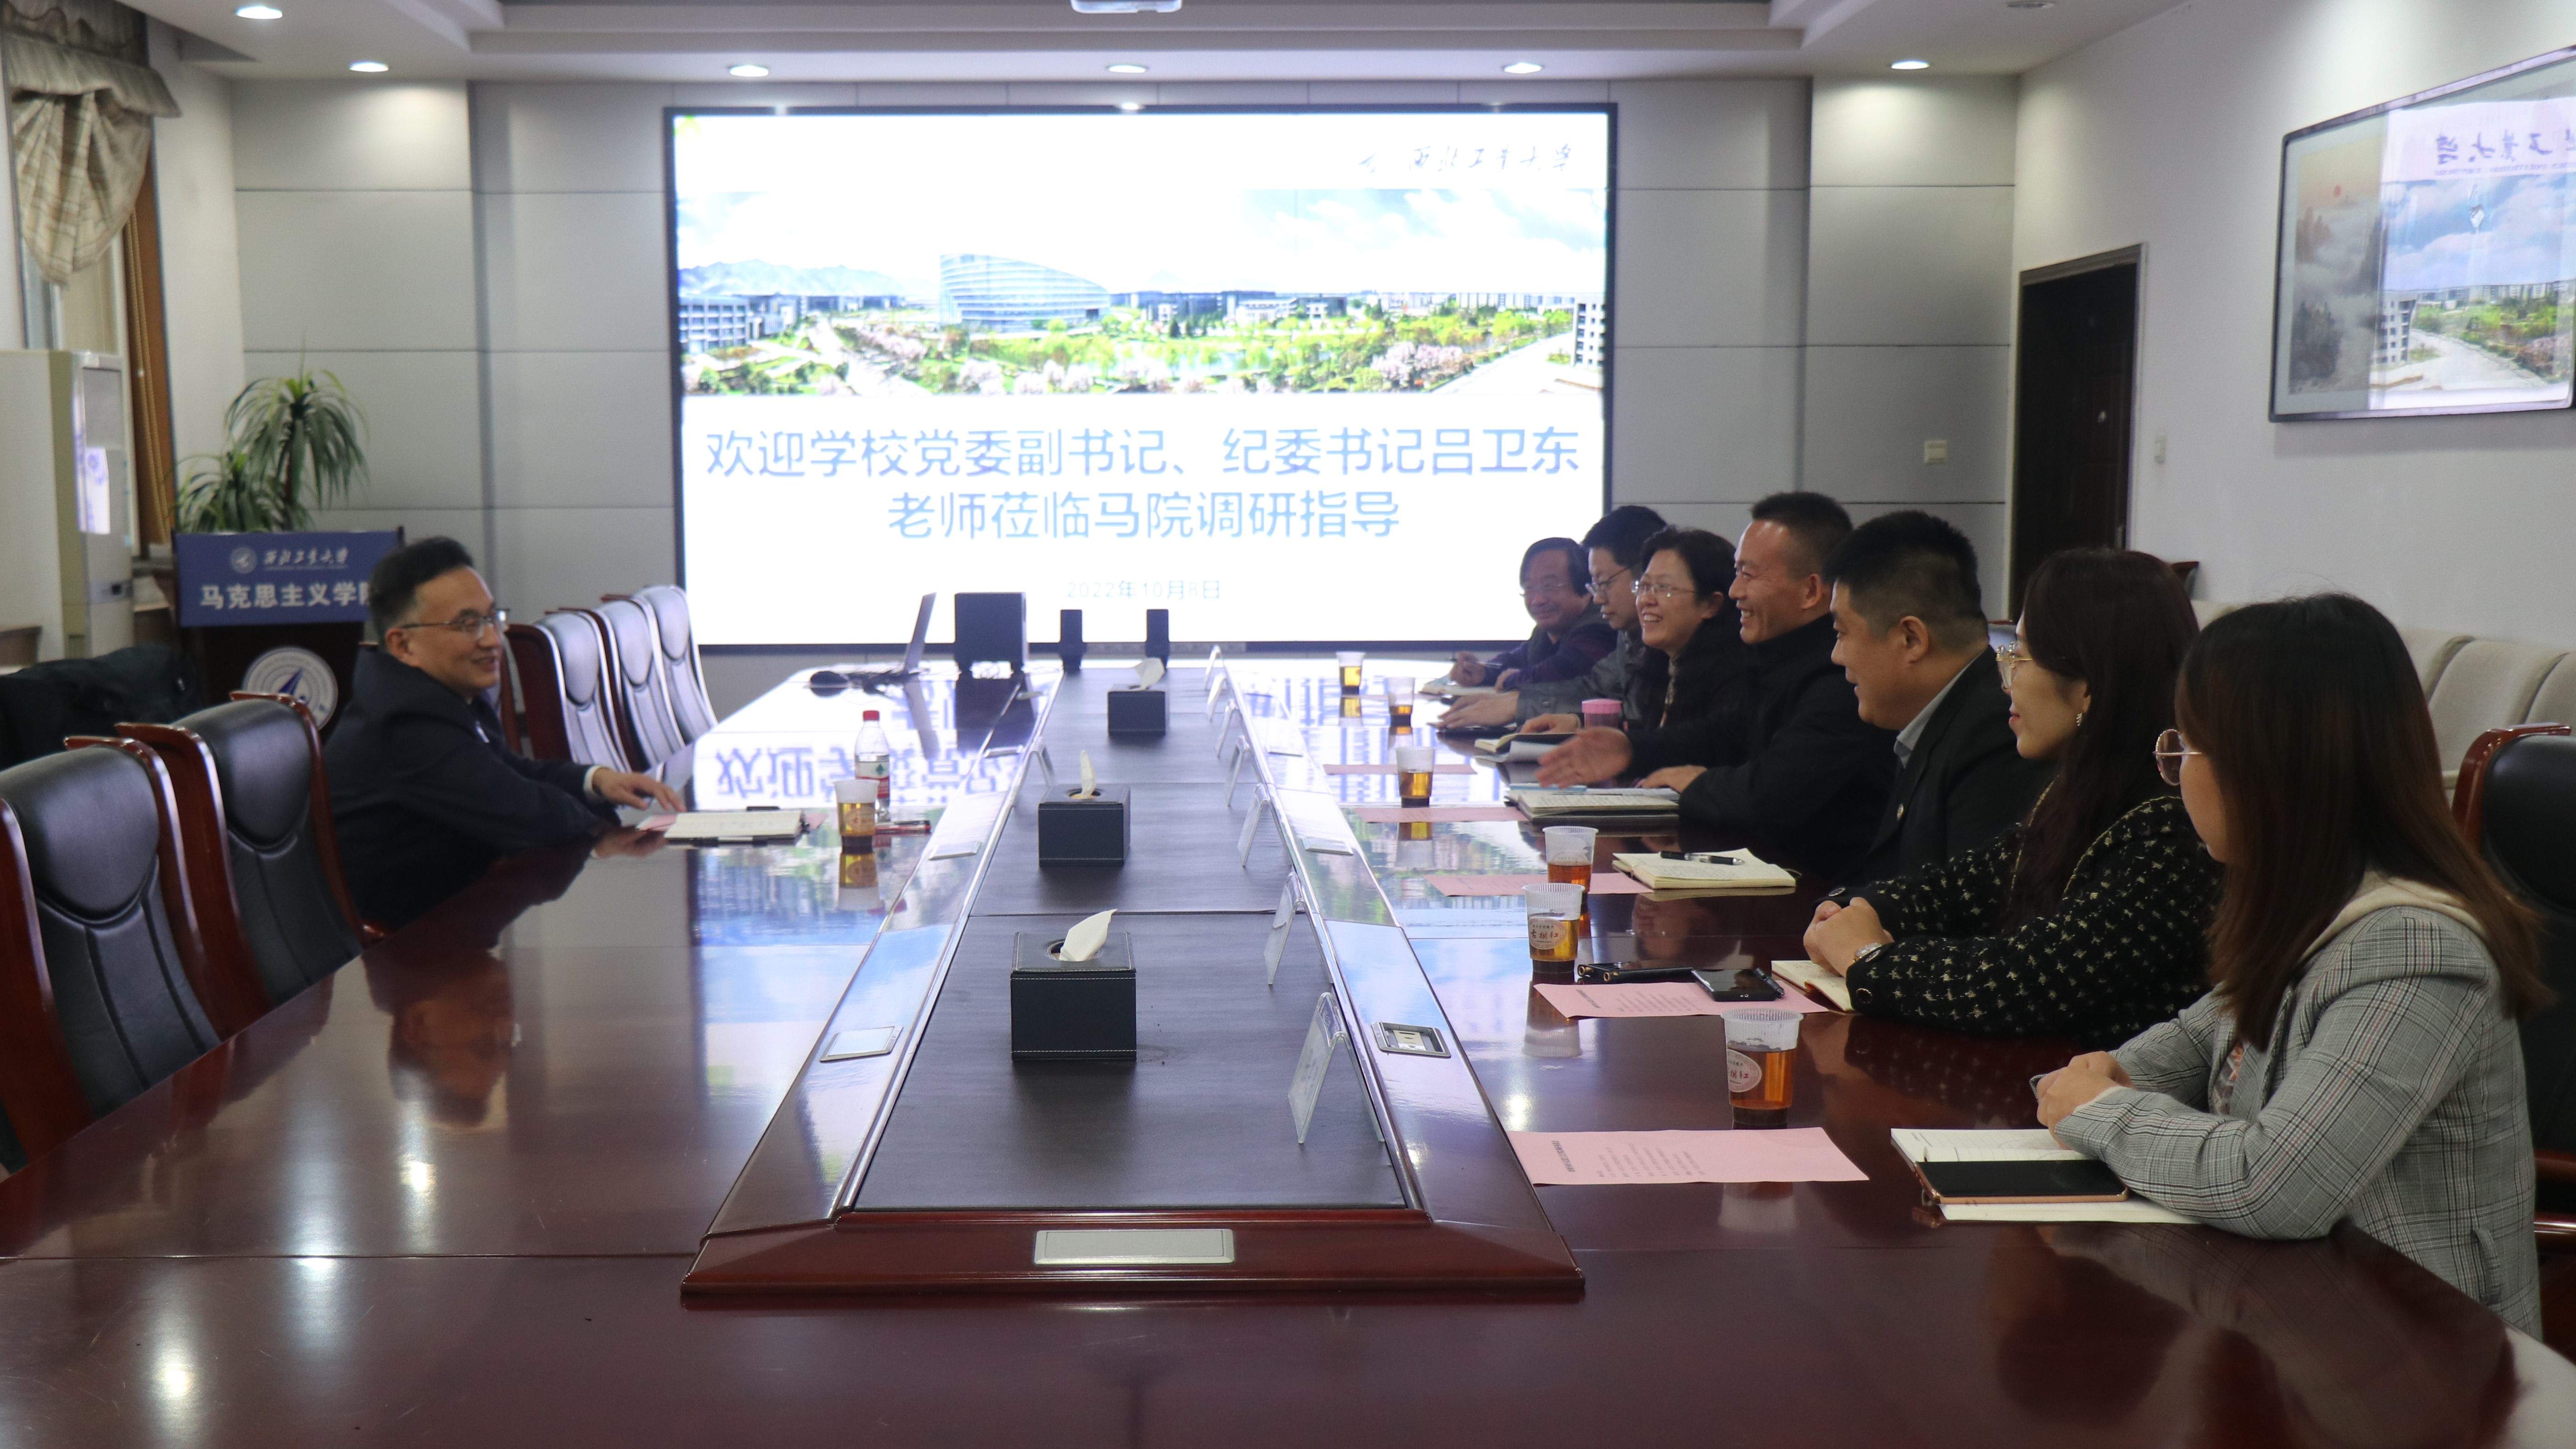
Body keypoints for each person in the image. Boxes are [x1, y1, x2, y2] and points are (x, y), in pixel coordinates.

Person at [2037, 594, 2550, 1333]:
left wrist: (2100, 1110)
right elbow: (2200, 1040)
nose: (2175, 772)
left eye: (2189, 746)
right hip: (2305, 1315)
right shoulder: (2307, 900)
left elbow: (2275, 1183)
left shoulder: (2416, 945)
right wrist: (2110, 1075)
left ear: (2267, 767)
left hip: (2424, 1356)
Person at [1803, 549, 2213, 1043]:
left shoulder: (2169, 830)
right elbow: (1962, 888)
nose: (2006, 680)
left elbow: (2019, 984)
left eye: (2021, 655)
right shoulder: (2080, 792)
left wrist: (1867, 957)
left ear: (2087, 685)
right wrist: (1858, 909)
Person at [326, 538, 683, 927]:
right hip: (405, 941)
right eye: (468, 625)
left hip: (461, 911)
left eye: (492, 617)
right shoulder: (404, 720)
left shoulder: (438, 690)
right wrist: (604, 828)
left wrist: (598, 781)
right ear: (403, 644)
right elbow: (527, 812)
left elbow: (510, 769)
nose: (493, 639)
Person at [1538, 492, 1892, 882]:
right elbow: (1724, 733)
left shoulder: (1839, 675)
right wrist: (1631, 749)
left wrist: (1696, 782)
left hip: (1825, 892)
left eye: (1749, 575)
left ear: (1811, 591)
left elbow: (1772, 793)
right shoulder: (1777, 657)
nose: (1736, 591)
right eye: (1737, 572)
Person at [1827, 510, 2053, 886]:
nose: (1837, 656)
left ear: (1911, 639)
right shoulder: (1943, 714)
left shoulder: (1999, 733)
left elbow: (1970, 905)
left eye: (1842, 632)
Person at [1437, 506, 1665, 730]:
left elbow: (1638, 717)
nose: (1599, 598)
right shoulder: (1629, 635)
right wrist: (1495, 681)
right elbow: (1592, 688)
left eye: (1604, 583)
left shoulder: (1604, 628)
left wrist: (1517, 703)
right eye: (1530, 588)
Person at [1447, 537, 1618, 689]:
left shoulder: (1601, 625)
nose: (1538, 600)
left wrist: (1512, 680)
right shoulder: (1548, 632)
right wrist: (1483, 672)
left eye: (1549, 587)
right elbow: (1515, 660)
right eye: (1530, 588)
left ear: (1586, 589)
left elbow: (1561, 672)